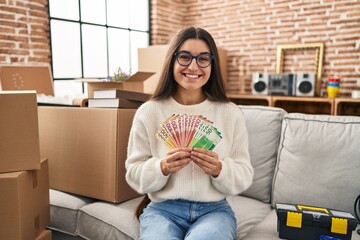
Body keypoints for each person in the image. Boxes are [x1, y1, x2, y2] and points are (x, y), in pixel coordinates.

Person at [125, 26, 254, 240]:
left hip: (214, 211)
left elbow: (244, 175)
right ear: (172, 61)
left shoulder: (231, 113)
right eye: (184, 57)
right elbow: (133, 173)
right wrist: (162, 167)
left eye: (203, 58)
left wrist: (219, 169)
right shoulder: (149, 112)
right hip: (162, 210)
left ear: (212, 64)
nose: (193, 66)